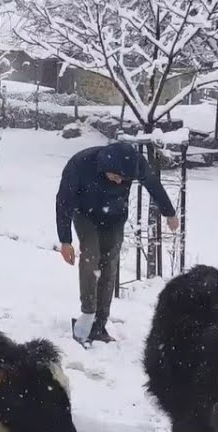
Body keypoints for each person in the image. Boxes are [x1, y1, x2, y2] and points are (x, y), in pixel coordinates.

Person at [55, 140, 180, 345]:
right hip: (85, 214)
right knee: (91, 257)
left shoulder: (136, 164)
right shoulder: (81, 164)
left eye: (124, 179)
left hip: (114, 216)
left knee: (109, 264)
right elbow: (63, 201)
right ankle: (87, 314)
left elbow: (153, 185)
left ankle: (100, 322)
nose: (118, 181)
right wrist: (65, 241)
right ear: (105, 167)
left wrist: (169, 212)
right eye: (115, 176)